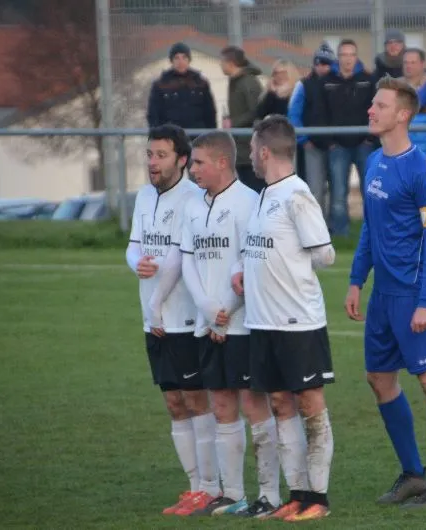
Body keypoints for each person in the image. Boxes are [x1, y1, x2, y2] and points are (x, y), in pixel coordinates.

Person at [344, 76, 426, 508]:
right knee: (379, 379)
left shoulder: (420, 169)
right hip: (382, 297)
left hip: (413, 294)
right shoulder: (373, 161)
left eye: (381, 105)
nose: (371, 110)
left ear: (403, 115)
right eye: (373, 104)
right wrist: (357, 279)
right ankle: (413, 475)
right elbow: (369, 228)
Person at [231, 115, 336, 521]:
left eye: (251, 150)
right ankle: (297, 493)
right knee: (279, 403)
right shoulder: (264, 195)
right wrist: (246, 270)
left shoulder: (296, 195)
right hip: (263, 321)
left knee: (309, 402)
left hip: (297, 322)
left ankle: (319, 499)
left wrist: (290, 268)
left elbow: (325, 254)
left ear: (263, 152)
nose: (249, 157)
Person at [180, 130, 281, 518]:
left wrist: (226, 309)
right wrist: (208, 309)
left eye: (199, 163)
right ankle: (233, 493)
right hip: (208, 323)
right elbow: (188, 260)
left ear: (222, 162)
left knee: (254, 405)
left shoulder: (249, 203)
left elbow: (251, 266)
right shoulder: (194, 205)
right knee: (221, 405)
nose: (193, 169)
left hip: (241, 324)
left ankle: (269, 493)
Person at [125, 124, 219, 516]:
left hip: (184, 317)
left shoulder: (194, 199)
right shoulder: (144, 196)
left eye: (161, 155)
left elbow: (181, 260)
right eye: (149, 154)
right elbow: (132, 247)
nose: (152, 162)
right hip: (154, 318)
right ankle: (194, 486)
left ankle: (210, 487)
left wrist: (157, 302)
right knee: (174, 403)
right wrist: (138, 264)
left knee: (197, 400)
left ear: (181, 160)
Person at [322, 38, 376, 236]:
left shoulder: (368, 80)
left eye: (351, 55)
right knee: (338, 192)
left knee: (370, 191)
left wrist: (370, 138)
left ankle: (372, 231)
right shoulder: (326, 81)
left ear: (356, 56)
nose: (348, 59)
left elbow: (375, 109)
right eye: (344, 55)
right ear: (338, 57)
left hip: (364, 144)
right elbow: (321, 112)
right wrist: (329, 142)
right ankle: (340, 235)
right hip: (337, 146)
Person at [288, 43, 336, 211]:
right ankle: (316, 223)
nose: (322, 67)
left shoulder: (338, 83)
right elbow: (293, 114)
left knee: (336, 190)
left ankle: (334, 223)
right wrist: (303, 139)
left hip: (336, 145)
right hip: (312, 145)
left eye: (326, 63)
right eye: (319, 63)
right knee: (315, 190)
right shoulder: (304, 85)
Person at [146, 42, 217, 134]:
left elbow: (210, 112)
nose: (181, 62)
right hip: (171, 136)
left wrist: (212, 135)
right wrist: (157, 135)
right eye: (177, 58)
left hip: (197, 135)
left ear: (189, 60)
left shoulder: (200, 83)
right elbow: (153, 114)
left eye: (184, 57)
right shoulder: (161, 84)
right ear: (171, 60)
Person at [220, 46, 264, 193]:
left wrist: (233, 123)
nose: (220, 65)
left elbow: (256, 111)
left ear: (231, 62)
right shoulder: (235, 81)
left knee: (254, 187)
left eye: (222, 61)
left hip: (249, 145)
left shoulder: (248, 82)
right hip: (240, 146)